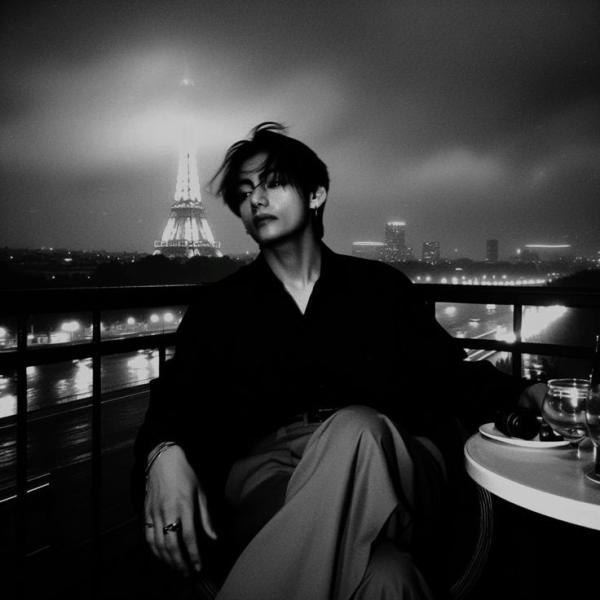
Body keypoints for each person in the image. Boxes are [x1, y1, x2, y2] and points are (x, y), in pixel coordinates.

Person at [134, 122, 547, 599]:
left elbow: (451, 375)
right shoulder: (219, 309)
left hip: (392, 460)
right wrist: (162, 454)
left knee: (357, 430)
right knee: (390, 579)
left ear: (316, 194)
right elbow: (175, 401)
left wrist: (526, 393)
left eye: (272, 183)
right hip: (274, 477)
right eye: (244, 193)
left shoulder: (381, 289)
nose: (256, 199)